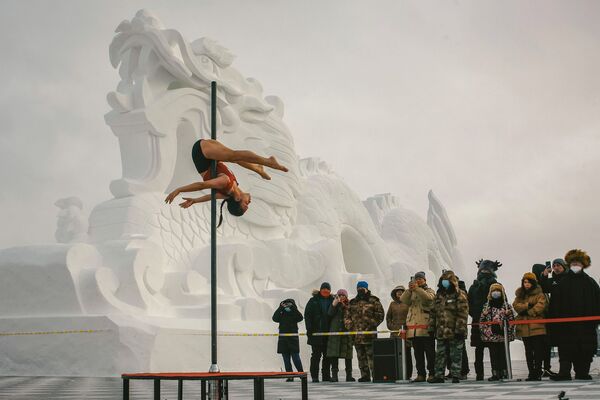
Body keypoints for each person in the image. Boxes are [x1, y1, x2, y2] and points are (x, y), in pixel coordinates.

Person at [164, 139, 288, 226]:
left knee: (233, 156)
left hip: (201, 153)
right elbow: (209, 197)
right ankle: (258, 168)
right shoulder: (228, 193)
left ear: (238, 199)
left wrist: (179, 190)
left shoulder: (224, 183)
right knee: (235, 158)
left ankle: (267, 162)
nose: (249, 203)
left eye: (246, 205)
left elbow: (201, 185)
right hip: (212, 157)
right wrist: (195, 201)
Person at [549, 249, 600, 381]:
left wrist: (595, 320)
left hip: (586, 326)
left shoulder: (591, 283)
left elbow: (598, 301)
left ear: (583, 265)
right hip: (566, 326)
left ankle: (582, 373)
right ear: (569, 265)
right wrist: (556, 322)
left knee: (585, 349)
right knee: (566, 349)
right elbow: (555, 303)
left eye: (578, 263)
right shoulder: (563, 283)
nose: (575, 265)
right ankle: (564, 373)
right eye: (573, 263)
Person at [428, 270, 469, 384]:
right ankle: (439, 376)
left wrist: (460, 330)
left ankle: (456, 375)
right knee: (440, 354)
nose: (444, 283)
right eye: (443, 281)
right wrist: (431, 328)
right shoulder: (439, 295)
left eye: (446, 281)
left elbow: (463, 313)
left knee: (456, 354)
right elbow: (433, 313)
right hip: (441, 331)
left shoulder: (459, 295)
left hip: (455, 331)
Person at [344, 281, 385, 382]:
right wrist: (351, 327)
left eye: (362, 288)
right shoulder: (353, 302)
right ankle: (365, 376)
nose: (360, 290)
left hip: (369, 335)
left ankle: (376, 375)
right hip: (357, 335)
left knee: (372, 357)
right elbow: (347, 316)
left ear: (367, 288)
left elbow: (380, 316)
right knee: (361, 357)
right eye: (359, 288)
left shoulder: (374, 301)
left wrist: (371, 324)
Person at [467, 259, 501, 380]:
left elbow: (501, 302)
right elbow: (468, 303)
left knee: (493, 348)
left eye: (487, 270)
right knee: (479, 348)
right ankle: (479, 373)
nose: (484, 272)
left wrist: (491, 316)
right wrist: (476, 314)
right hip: (477, 320)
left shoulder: (495, 285)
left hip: (491, 321)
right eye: (482, 269)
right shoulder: (473, 286)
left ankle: (496, 372)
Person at [400, 271, 436, 383]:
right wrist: (409, 290)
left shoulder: (429, 291)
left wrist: (416, 289)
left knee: (430, 353)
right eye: (417, 279)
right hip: (414, 330)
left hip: (426, 328)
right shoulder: (412, 292)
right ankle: (421, 374)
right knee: (418, 354)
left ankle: (432, 373)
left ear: (425, 280)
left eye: (421, 279)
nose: (418, 281)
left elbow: (428, 299)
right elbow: (403, 300)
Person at [513, 272, 547, 381]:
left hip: (537, 327)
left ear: (533, 283)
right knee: (528, 351)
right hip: (524, 327)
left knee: (538, 351)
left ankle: (537, 372)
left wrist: (528, 312)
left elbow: (540, 307)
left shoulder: (540, 294)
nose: (526, 284)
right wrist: (528, 306)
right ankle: (531, 372)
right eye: (524, 282)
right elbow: (516, 306)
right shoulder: (520, 295)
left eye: (528, 282)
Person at [480, 282, 515, 381]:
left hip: (503, 335)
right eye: (494, 291)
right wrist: (486, 331)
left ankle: (504, 371)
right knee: (493, 355)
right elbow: (481, 321)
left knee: (503, 354)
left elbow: (512, 321)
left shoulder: (506, 306)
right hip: (491, 335)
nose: (496, 293)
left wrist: (508, 331)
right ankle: (495, 373)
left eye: (498, 291)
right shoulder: (487, 306)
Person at [304, 282, 334, 382]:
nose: (325, 290)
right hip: (316, 333)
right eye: (324, 289)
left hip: (328, 334)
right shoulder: (313, 301)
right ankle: (314, 376)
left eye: (327, 289)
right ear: (320, 290)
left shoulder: (333, 300)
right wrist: (309, 329)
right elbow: (307, 315)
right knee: (316, 356)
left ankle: (326, 376)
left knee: (327, 356)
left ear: (330, 291)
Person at [444, 277, 470, 380]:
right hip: (447, 326)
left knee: (460, 350)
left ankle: (463, 371)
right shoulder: (444, 291)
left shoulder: (461, 291)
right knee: (448, 350)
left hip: (459, 325)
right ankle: (452, 370)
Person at [326, 289, 355, 382]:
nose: (342, 297)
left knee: (348, 355)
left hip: (346, 333)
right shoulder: (334, 304)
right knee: (334, 355)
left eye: (343, 295)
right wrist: (334, 305)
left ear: (346, 297)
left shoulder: (349, 305)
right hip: (335, 333)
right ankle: (334, 375)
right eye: (340, 295)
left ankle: (349, 375)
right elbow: (329, 314)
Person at [272, 299, 304, 381]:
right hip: (283, 339)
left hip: (293, 338)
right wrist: (280, 308)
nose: (287, 306)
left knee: (296, 357)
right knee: (286, 359)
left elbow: (300, 318)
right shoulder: (282, 313)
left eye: (289, 304)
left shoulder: (294, 312)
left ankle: (301, 374)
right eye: (285, 304)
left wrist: (293, 308)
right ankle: (290, 375)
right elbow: (274, 318)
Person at [386, 285, 413, 379]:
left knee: (407, 354)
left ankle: (408, 374)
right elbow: (388, 317)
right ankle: (395, 374)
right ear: (395, 293)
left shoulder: (408, 303)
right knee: (394, 354)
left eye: (401, 291)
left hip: (406, 332)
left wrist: (407, 327)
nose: (399, 293)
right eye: (397, 291)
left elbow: (411, 316)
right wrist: (392, 327)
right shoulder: (392, 304)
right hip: (395, 333)